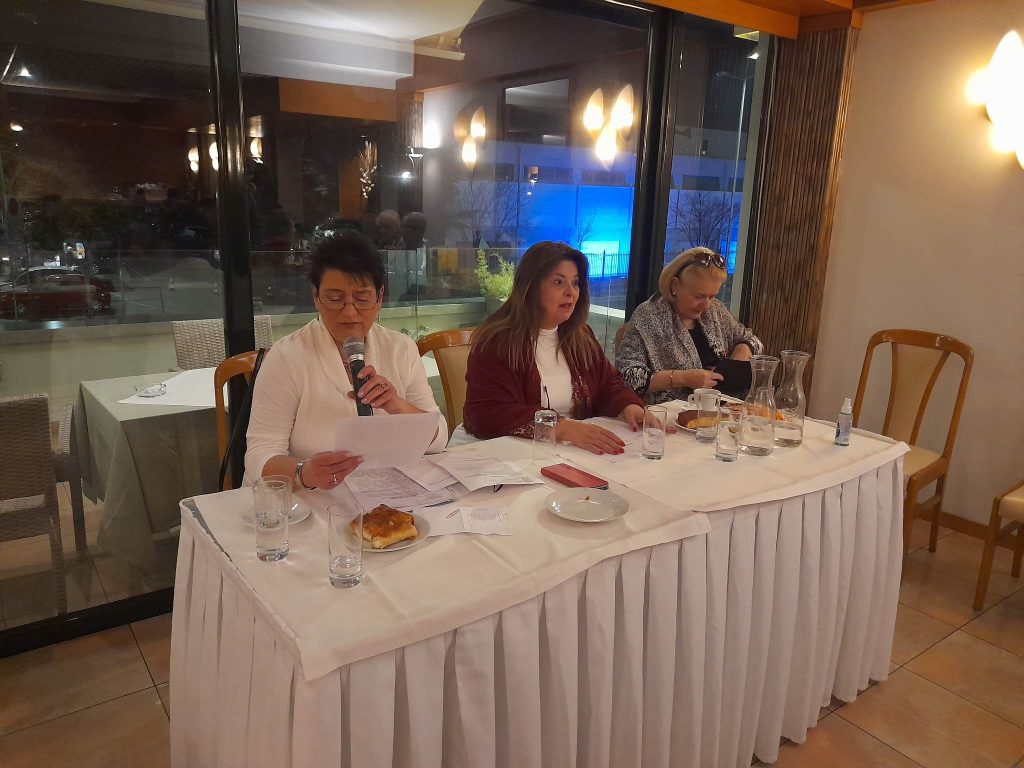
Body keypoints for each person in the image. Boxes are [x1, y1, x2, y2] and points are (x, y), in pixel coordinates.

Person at [245, 232, 447, 490]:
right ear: (316, 298)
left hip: (389, 490)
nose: (350, 312)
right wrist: (303, 473)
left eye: (362, 299)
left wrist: (397, 405)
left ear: (379, 297)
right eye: (334, 299)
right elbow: (259, 455)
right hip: (315, 497)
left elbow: (439, 438)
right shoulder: (286, 357)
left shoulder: (400, 348)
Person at [464, 241, 645, 455]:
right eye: (558, 282)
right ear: (531, 287)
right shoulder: (497, 342)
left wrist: (628, 406)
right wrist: (561, 428)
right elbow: (486, 414)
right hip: (505, 455)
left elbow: (609, 384)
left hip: (567, 451)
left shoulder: (581, 335)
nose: (570, 292)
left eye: (575, 283)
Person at [616, 246, 763, 405]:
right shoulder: (649, 316)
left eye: (712, 296)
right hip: (670, 414)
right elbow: (627, 377)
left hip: (726, 410)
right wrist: (682, 378)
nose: (706, 306)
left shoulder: (715, 311)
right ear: (674, 285)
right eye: (698, 296)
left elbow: (753, 341)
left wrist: (743, 349)